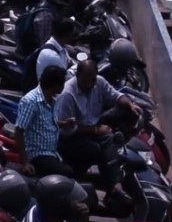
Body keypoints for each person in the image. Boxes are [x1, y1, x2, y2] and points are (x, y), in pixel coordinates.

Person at [55, 60, 143, 207]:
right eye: (85, 81)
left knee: (110, 139)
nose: (90, 85)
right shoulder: (67, 95)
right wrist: (95, 130)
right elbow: (66, 129)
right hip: (71, 137)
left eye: (92, 80)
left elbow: (115, 96)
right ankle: (81, 183)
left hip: (92, 128)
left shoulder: (99, 83)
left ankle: (114, 188)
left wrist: (130, 104)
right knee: (96, 149)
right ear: (77, 76)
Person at [15, 66, 74, 179]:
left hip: (52, 151)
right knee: (67, 172)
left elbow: (47, 122)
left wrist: (65, 123)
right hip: (38, 154)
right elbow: (18, 131)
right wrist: (25, 163)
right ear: (56, 85)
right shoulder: (31, 101)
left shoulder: (51, 99)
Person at [34, 17, 78, 85]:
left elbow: (69, 61)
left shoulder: (60, 48)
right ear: (68, 34)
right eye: (73, 34)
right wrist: (77, 68)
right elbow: (67, 79)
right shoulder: (52, 56)